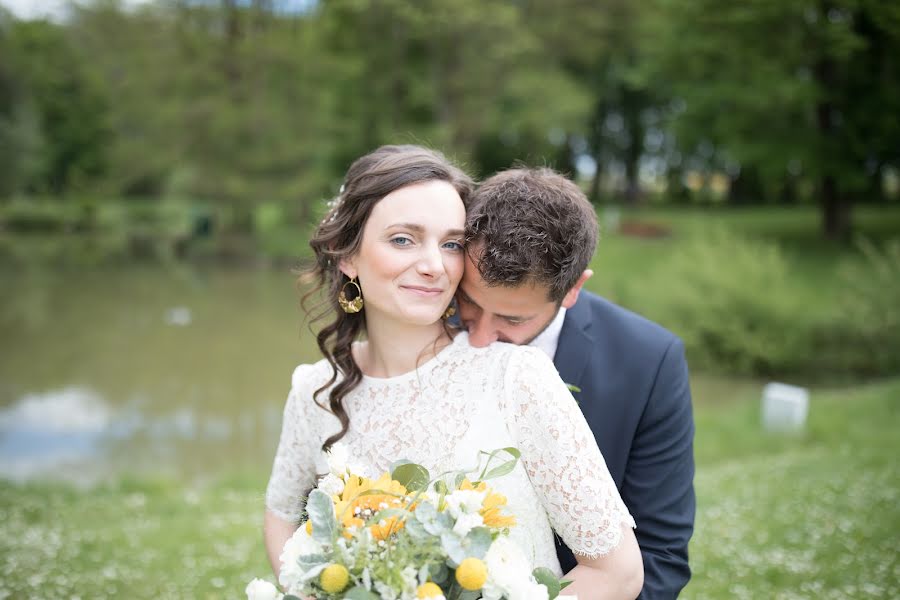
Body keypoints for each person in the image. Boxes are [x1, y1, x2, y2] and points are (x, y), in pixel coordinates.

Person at [263, 145, 644, 599]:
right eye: (403, 239)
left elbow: (616, 572)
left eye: (451, 244)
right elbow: (281, 515)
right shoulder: (315, 390)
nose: (432, 265)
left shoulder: (517, 377)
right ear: (347, 255)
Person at [458, 168, 695, 599]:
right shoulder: (422, 326)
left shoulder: (649, 362)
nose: (478, 337)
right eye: (470, 303)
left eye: (512, 319)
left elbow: (659, 558)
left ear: (572, 290)